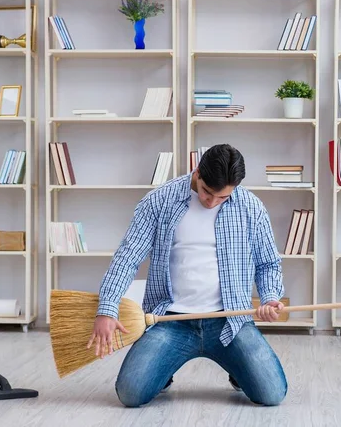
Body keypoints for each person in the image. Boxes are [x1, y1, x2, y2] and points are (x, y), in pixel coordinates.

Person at [87, 144, 288, 407]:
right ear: (197, 172)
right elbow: (128, 257)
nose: (211, 202)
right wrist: (107, 309)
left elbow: (268, 263)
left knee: (272, 394)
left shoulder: (251, 206)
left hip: (230, 320)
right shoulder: (159, 201)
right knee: (130, 394)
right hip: (171, 321)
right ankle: (164, 369)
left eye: (222, 198)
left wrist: (269, 299)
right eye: (207, 192)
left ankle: (238, 369)